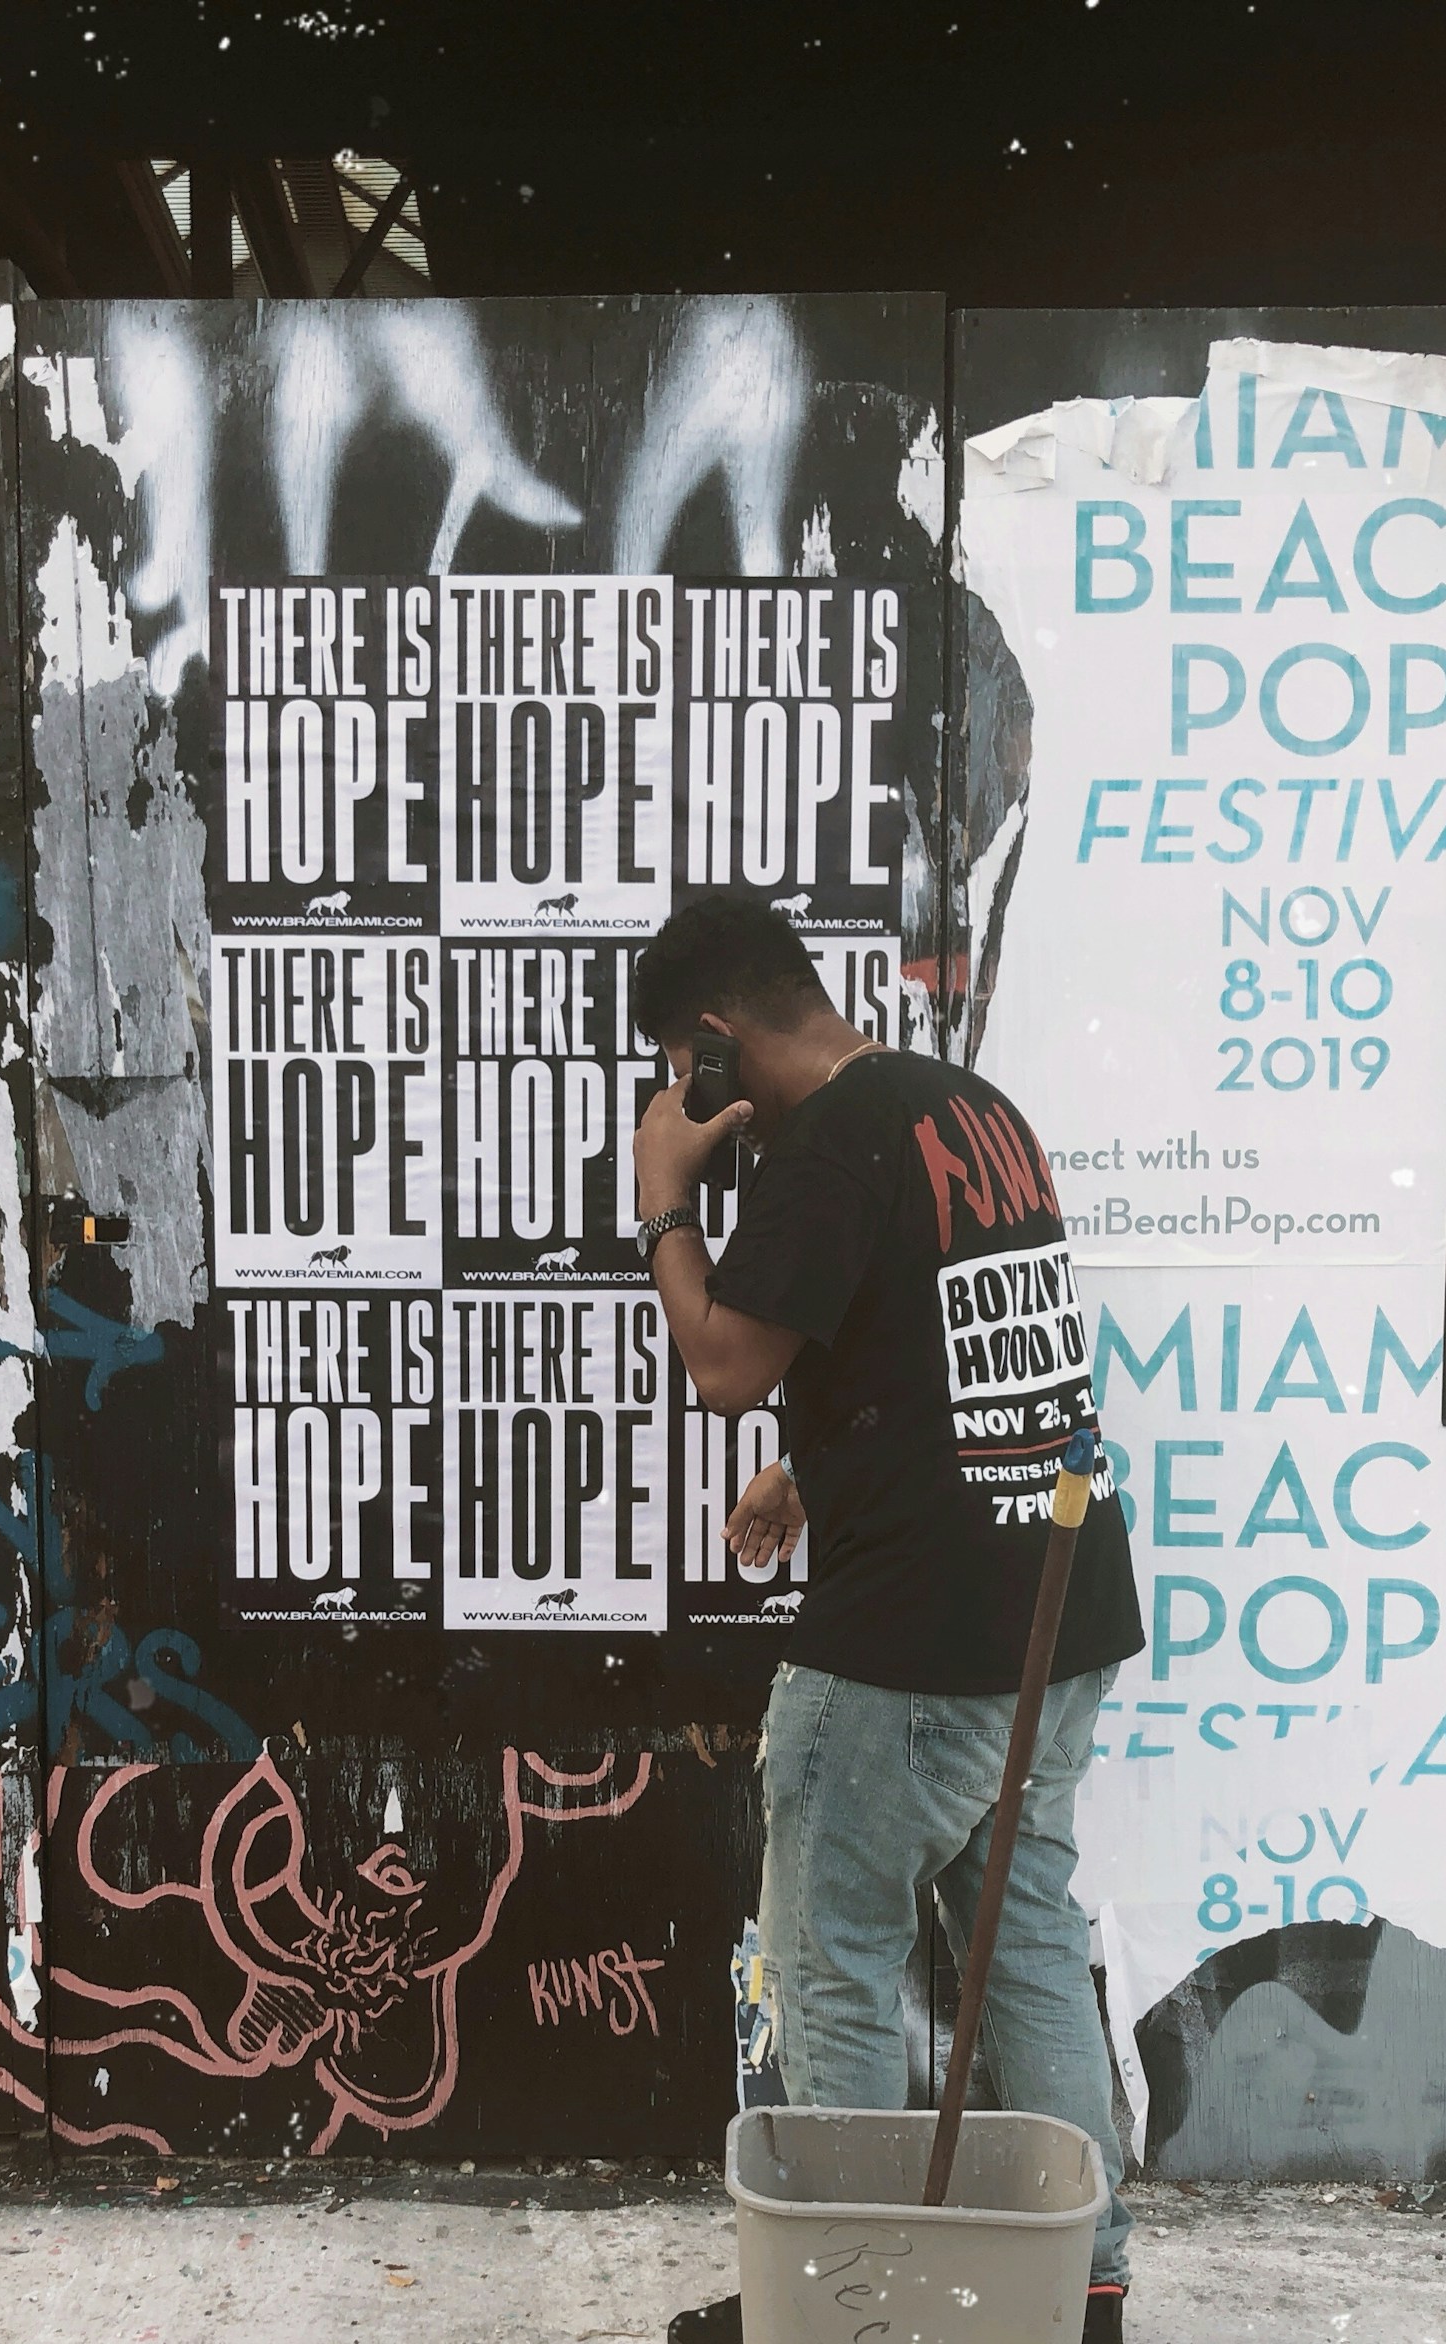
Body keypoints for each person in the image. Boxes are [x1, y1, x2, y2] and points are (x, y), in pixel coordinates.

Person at [629, 896, 1143, 2344]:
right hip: (1056, 1606)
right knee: (1022, 1940)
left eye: (687, 1065)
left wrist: (666, 1196)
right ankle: (1082, 2285)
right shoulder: (967, 1108)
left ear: (716, 1044)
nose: (688, 1092)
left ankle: (857, 2304)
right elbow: (967, 1349)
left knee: (834, 1956)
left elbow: (725, 1365)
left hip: (910, 1645)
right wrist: (820, 1465)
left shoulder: (824, 1145)